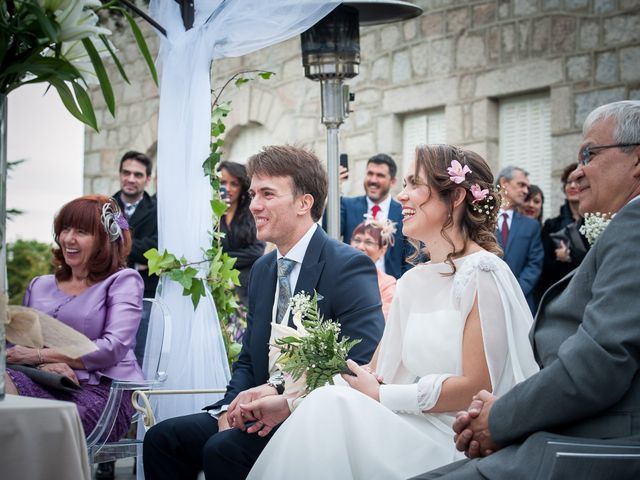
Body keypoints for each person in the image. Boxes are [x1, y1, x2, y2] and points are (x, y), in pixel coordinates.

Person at [246, 144, 539, 480]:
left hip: (454, 440)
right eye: (403, 185)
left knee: (330, 408)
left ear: (456, 197)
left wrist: (383, 394)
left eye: (414, 184)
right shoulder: (413, 281)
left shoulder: (483, 273)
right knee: (326, 403)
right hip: (405, 421)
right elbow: (377, 371)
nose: (402, 196)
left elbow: (477, 386)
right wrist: (289, 403)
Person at [418, 100, 640, 480]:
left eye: (589, 153)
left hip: (600, 437)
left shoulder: (635, 223)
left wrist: (501, 418)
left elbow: (599, 361)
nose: (579, 171)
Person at [142, 145, 385, 480]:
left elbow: (357, 356)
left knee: (222, 450)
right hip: (257, 408)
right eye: (254, 193)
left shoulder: (347, 265)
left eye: (268, 194)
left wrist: (282, 394)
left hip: (311, 413)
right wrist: (231, 408)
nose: (254, 205)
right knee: (163, 439)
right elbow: (248, 360)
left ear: (305, 202)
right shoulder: (263, 268)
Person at [5, 195, 144, 443]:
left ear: (103, 240)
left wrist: (40, 356)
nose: (68, 238)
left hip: (101, 396)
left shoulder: (123, 281)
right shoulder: (39, 285)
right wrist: (43, 367)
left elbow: (111, 348)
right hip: (39, 380)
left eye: (81, 231)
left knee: (6, 390)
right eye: (64, 229)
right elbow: (15, 349)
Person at [112, 151, 158, 366]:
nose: (131, 179)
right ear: (120, 174)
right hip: (108, 289)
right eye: (126, 173)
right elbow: (98, 247)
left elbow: (156, 248)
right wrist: (139, 256)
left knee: (139, 354)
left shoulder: (159, 211)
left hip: (145, 293)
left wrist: (116, 242)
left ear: (147, 179)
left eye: (138, 175)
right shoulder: (102, 206)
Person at [339, 153, 411, 279]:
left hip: (391, 290)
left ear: (392, 181)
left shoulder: (403, 212)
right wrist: (335, 187)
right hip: (352, 282)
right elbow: (328, 233)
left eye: (380, 175)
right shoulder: (346, 205)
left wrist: (399, 287)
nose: (373, 180)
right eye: (370, 173)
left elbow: (411, 258)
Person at [495, 166, 543, 313]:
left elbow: (534, 264)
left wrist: (515, 292)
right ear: (504, 182)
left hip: (520, 303)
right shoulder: (479, 219)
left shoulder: (531, 226)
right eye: (521, 185)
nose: (526, 191)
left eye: (527, 187)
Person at [537, 164, 588, 299]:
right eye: (568, 182)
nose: (572, 186)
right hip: (559, 295)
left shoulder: (597, 221)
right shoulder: (551, 225)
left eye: (577, 182)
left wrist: (570, 255)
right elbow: (544, 267)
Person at [219, 161, 265, 306]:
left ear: (242, 187)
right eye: (223, 182)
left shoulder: (252, 213)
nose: (228, 188)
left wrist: (221, 260)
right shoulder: (209, 215)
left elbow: (257, 251)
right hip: (218, 287)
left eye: (234, 184)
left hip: (247, 287)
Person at [350, 218, 397, 320]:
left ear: (382, 250)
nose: (361, 247)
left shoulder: (387, 283)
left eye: (369, 242)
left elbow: (384, 319)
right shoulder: (337, 274)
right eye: (357, 240)